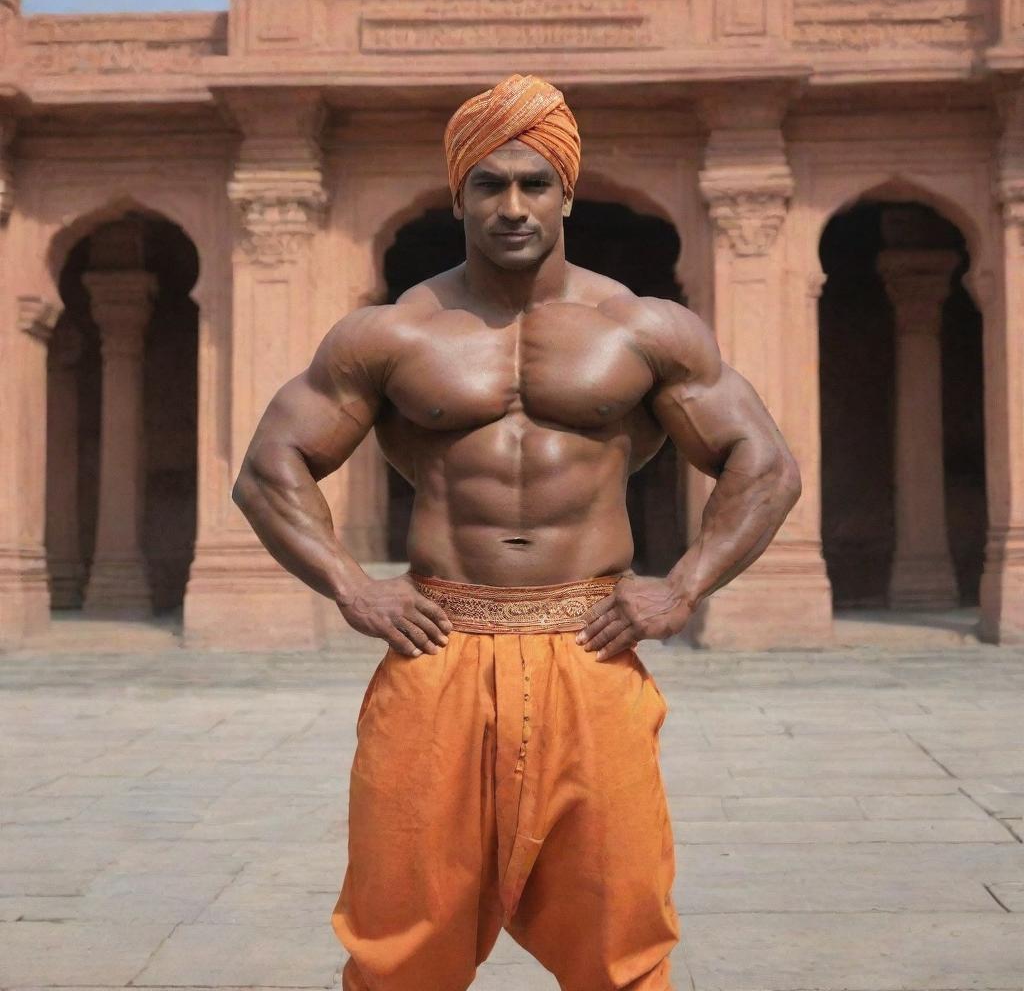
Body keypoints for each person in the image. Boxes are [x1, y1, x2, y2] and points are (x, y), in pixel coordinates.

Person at [231, 73, 801, 991]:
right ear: (457, 193)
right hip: (440, 647)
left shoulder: (644, 327)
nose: (511, 205)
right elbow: (269, 467)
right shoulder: (393, 333)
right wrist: (351, 584)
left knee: (620, 925)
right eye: (489, 184)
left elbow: (764, 463)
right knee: (401, 931)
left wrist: (684, 586)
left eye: (534, 183)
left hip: (591, 646)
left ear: (567, 192)